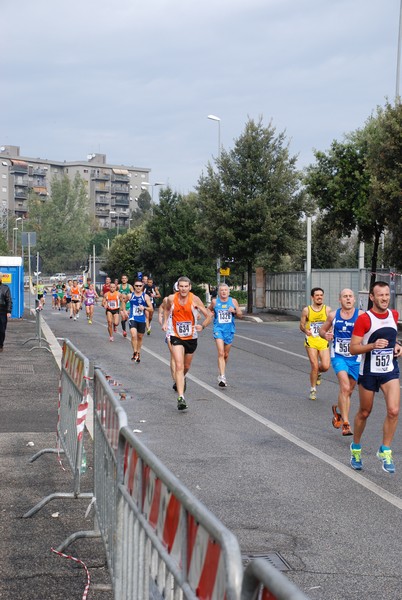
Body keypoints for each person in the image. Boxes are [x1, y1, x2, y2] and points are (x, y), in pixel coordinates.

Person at [349, 281, 402, 474]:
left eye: (387, 295)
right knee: (365, 412)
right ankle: (355, 448)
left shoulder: (394, 315)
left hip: (389, 370)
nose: (385, 298)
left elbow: (392, 337)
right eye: (380, 295)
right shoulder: (364, 320)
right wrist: (372, 346)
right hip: (369, 371)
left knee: (394, 410)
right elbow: (353, 348)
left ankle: (385, 450)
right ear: (372, 297)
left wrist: (397, 346)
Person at [162, 276, 212, 411]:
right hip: (176, 335)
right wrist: (166, 322)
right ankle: (181, 397)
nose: (183, 289)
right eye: (181, 286)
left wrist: (203, 326)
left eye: (186, 286)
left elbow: (209, 315)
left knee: (186, 366)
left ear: (190, 287)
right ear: (178, 287)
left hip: (191, 337)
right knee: (178, 365)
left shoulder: (195, 299)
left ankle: (182, 378)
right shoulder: (172, 298)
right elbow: (166, 309)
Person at [319, 289, 363, 436]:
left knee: (349, 390)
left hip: (356, 357)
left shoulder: (361, 315)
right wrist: (326, 335)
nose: (348, 299)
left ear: (354, 299)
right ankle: (346, 423)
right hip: (338, 356)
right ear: (340, 300)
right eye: (345, 296)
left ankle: (338, 411)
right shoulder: (333, 315)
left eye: (350, 296)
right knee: (344, 387)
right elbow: (321, 330)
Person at [299, 287, 331, 401]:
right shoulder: (307, 310)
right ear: (312, 297)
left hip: (322, 340)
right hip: (311, 340)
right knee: (314, 365)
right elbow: (301, 325)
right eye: (317, 295)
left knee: (326, 366)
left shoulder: (327, 310)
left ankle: (318, 373)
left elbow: (331, 323)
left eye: (321, 295)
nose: (319, 297)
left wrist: (330, 331)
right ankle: (313, 389)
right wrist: (305, 330)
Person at [208, 283, 243, 387]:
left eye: (225, 290)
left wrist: (235, 311)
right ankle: (222, 377)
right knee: (221, 353)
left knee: (226, 355)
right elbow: (208, 310)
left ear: (229, 292)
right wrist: (210, 314)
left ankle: (221, 372)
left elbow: (241, 314)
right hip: (218, 329)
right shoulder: (215, 302)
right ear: (219, 292)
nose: (223, 292)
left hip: (229, 330)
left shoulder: (233, 301)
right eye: (222, 290)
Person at [128, 279, 154, 363]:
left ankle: (138, 353)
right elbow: (123, 302)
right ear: (134, 286)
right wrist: (124, 311)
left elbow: (151, 308)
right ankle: (135, 352)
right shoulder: (130, 295)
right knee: (133, 335)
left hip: (141, 319)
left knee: (139, 337)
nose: (138, 287)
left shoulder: (145, 296)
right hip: (133, 318)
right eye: (136, 286)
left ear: (142, 286)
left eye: (140, 286)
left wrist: (144, 307)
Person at [0, 272, 12, 352]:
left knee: (2, 329)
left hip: (2, 311)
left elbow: (9, 300)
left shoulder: (5, 288)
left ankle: (0, 345)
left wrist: (8, 311)